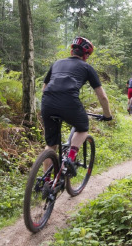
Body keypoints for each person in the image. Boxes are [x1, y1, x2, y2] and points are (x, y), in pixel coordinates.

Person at [41, 36, 112, 176]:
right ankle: (70, 158)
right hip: (69, 102)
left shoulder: (56, 63)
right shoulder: (87, 67)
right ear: (86, 55)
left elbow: (44, 88)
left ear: (72, 50)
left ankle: (46, 181)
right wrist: (107, 115)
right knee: (83, 127)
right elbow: (102, 96)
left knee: (51, 144)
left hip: (47, 102)